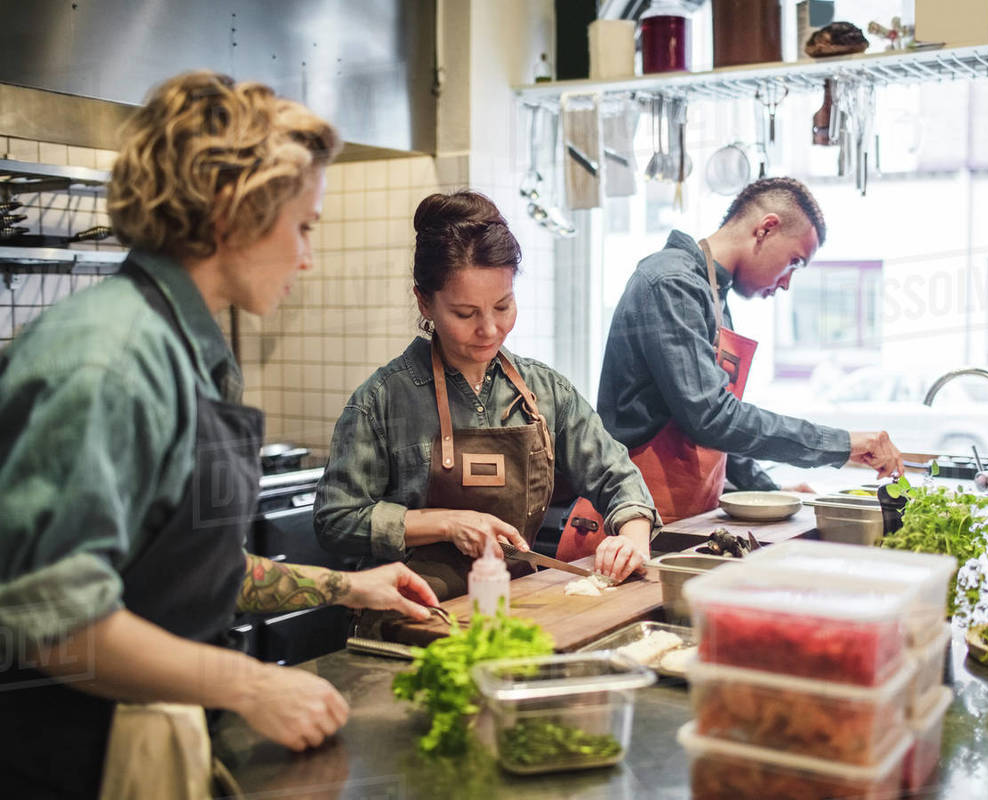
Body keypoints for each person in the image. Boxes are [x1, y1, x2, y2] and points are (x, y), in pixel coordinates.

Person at [0, 71, 439, 797]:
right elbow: (55, 620)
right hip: (68, 764)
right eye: (302, 227)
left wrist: (349, 587)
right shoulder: (108, 362)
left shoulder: (191, 352)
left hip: (149, 741)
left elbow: (189, 571)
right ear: (233, 213)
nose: (307, 257)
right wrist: (250, 684)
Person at [314, 191, 658, 601]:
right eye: (465, 314)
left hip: (516, 608)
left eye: (503, 306)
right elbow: (336, 520)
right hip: (415, 616)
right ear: (425, 302)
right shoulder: (382, 401)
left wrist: (632, 538)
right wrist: (445, 523)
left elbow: (618, 477)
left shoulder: (546, 392)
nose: (490, 329)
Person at [595, 176, 904, 524]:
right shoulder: (673, 284)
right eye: (794, 262)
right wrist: (842, 444)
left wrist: (769, 491)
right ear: (766, 228)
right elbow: (712, 418)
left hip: (674, 516)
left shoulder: (711, 292)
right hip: (626, 525)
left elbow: (713, 431)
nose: (786, 283)